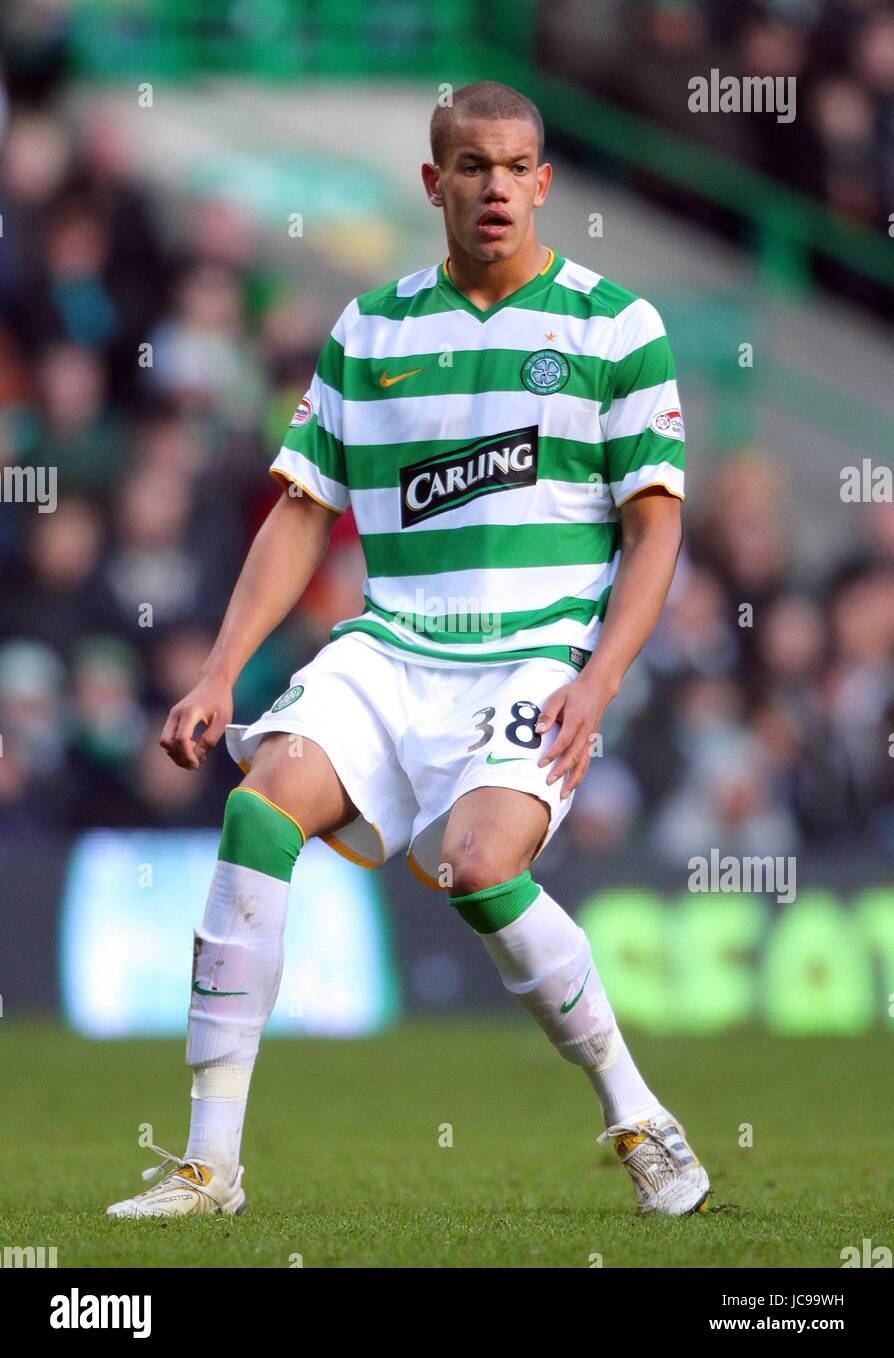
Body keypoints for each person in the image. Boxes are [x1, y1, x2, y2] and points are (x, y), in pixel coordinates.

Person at [108, 81, 708, 1220]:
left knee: (481, 866)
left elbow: (656, 525)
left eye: (516, 166)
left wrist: (602, 676)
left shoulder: (614, 326)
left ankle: (635, 1110)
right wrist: (221, 666)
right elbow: (299, 511)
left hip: (534, 656)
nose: (495, 187)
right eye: (470, 166)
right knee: (254, 808)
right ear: (434, 184)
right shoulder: (369, 329)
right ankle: (208, 1164)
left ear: (545, 183)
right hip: (389, 650)